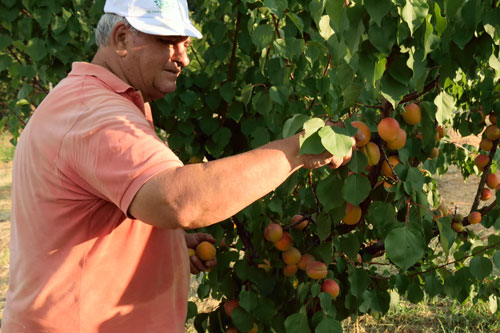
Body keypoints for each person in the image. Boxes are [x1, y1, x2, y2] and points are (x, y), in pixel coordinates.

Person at [1, 0, 354, 332]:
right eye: (169, 41)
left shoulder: (90, 100)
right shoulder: (98, 115)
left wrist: (163, 242)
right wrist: (295, 151)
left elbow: (93, 210)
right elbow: (181, 200)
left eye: (184, 43)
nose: (182, 57)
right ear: (121, 37)